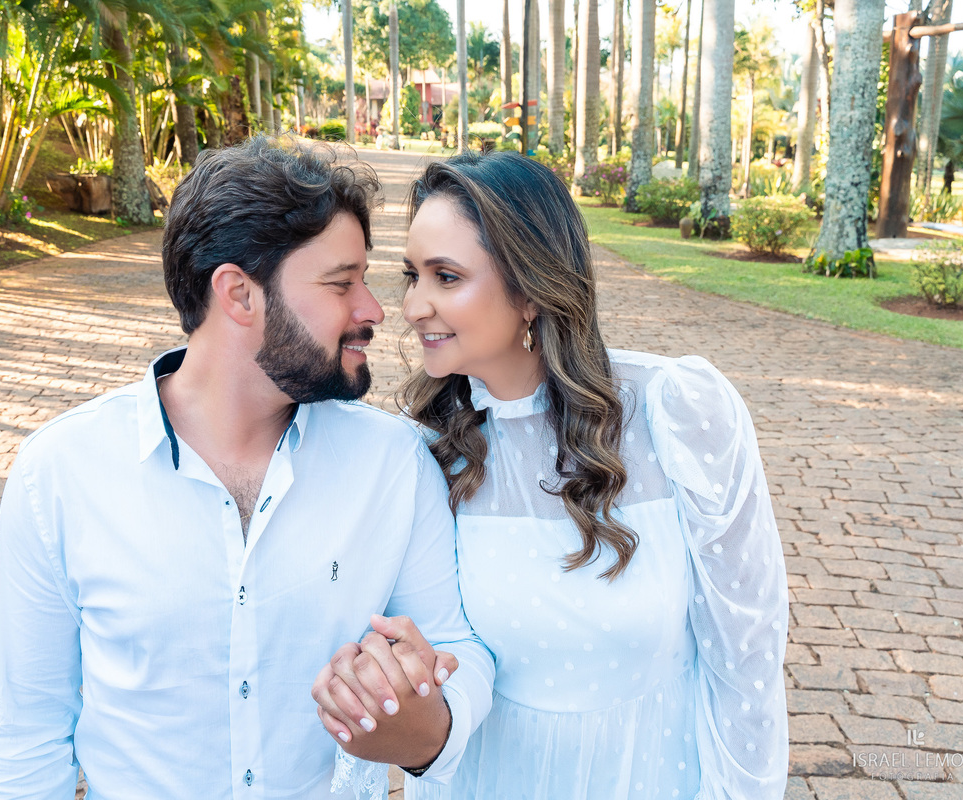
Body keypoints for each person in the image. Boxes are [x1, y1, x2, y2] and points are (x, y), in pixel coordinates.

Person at [0, 136, 494, 799]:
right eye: (342, 283)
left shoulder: (394, 464)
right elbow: (23, 727)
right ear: (239, 295)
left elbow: (459, 645)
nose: (374, 310)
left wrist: (428, 724)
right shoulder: (62, 472)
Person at [315, 151, 790, 799]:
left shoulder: (677, 410)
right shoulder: (424, 450)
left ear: (531, 289)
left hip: (651, 774)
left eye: (446, 277)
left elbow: (748, 652)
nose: (415, 305)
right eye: (411, 276)